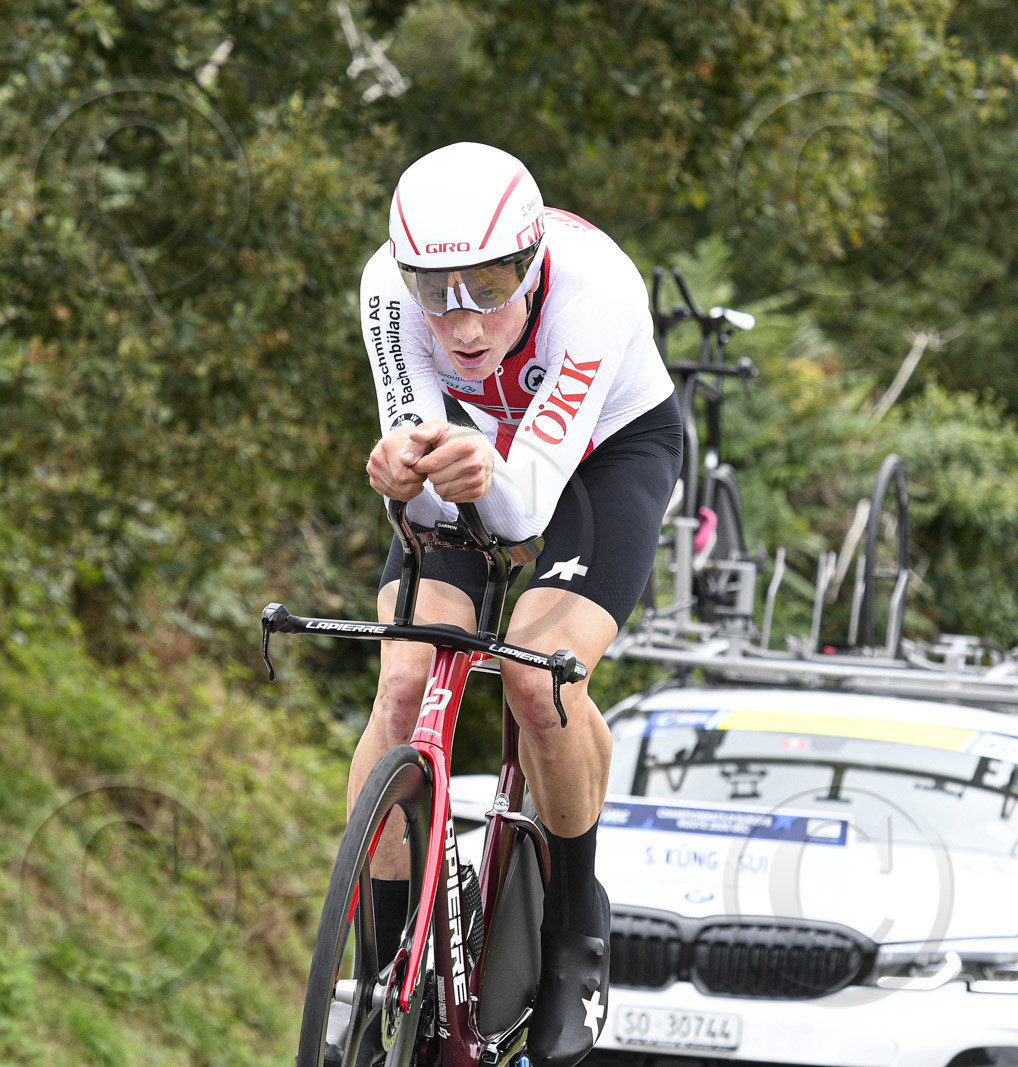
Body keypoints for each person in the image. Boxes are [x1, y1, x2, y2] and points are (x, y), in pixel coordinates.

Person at [355, 141, 681, 1067]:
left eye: (490, 287)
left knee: (537, 680)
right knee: (402, 683)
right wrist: (401, 466)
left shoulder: (595, 290)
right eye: (435, 291)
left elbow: (521, 510)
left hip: (602, 455)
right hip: (477, 448)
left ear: (532, 262)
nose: (462, 323)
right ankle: (381, 965)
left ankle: (574, 928)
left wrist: (466, 468)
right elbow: (416, 456)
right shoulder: (385, 286)